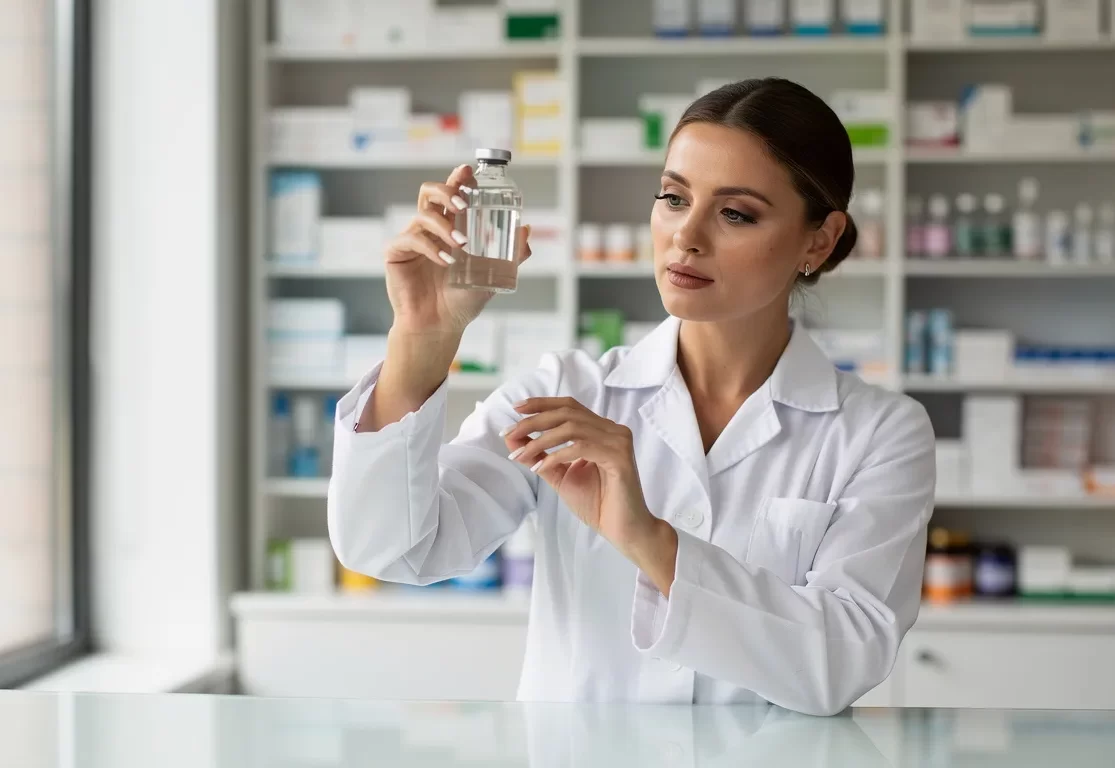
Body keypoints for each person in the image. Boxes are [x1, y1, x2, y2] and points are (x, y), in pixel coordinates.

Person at [328, 78, 936, 715]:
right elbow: (390, 548)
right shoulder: (565, 393)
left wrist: (649, 539)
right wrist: (423, 338)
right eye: (673, 198)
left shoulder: (879, 432)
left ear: (820, 239)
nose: (687, 236)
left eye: (736, 213)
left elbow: (842, 662)